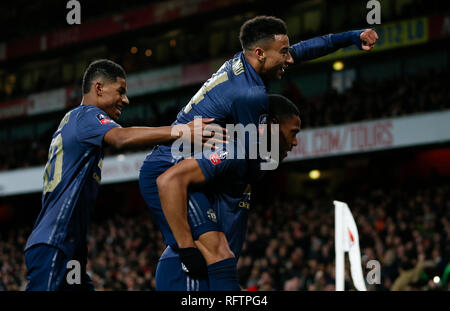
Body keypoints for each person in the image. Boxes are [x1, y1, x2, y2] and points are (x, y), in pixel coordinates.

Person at [138, 16, 378, 290]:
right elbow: (255, 159)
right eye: (284, 53)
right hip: (168, 171)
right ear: (260, 53)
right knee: (216, 253)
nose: (289, 59)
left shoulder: (248, 64)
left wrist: (351, 36)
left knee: (220, 250)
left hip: (190, 164)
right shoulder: (250, 95)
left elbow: (306, 49)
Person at [23, 59, 225, 291]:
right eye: (120, 91)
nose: (126, 100)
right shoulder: (86, 115)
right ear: (98, 88)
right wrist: (183, 131)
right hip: (55, 242)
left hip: (68, 247)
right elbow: (122, 137)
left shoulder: (73, 121)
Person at [155, 94, 300, 290]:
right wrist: (187, 249)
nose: (295, 142)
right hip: (188, 272)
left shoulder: (254, 165)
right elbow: (169, 180)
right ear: (272, 125)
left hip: (210, 273)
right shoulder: (233, 151)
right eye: (293, 132)